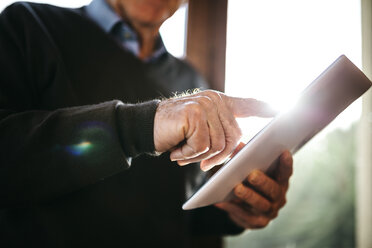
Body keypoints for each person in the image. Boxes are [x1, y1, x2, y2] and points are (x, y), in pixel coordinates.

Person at [0, 0, 293, 247]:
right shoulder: (28, 24)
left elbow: (174, 209)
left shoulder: (191, 81)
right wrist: (142, 125)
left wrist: (231, 208)